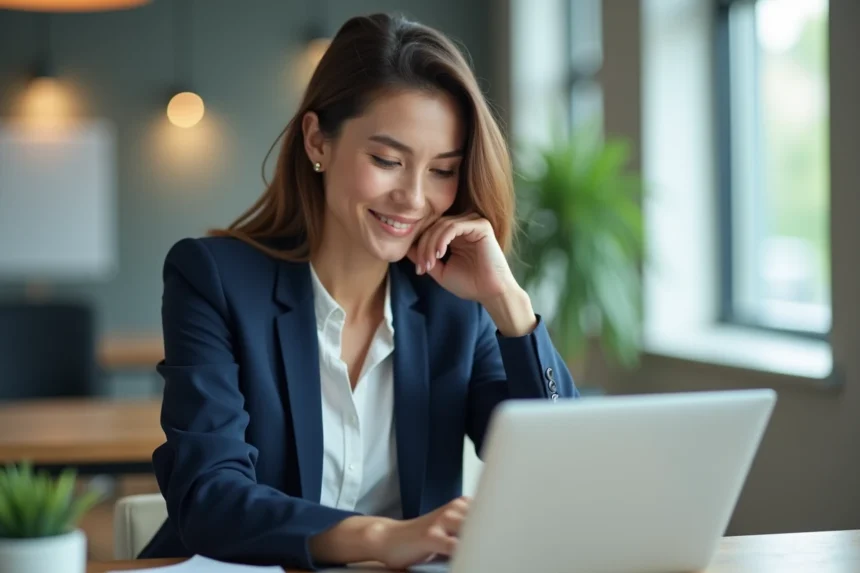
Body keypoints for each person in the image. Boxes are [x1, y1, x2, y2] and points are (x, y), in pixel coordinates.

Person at [138, 12, 579, 570]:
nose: (414, 198)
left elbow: (560, 476)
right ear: (317, 140)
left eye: (442, 170)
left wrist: (510, 305)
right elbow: (208, 498)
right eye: (387, 161)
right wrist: (381, 537)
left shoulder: (454, 306)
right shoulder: (214, 280)